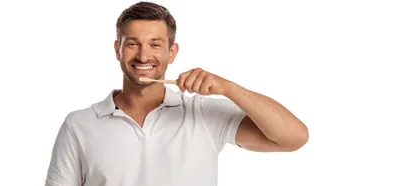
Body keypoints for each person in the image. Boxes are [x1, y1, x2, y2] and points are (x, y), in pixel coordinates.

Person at [44, 1, 309, 186]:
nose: (144, 55)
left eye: (155, 45)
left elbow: (293, 137)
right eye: (132, 44)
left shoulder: (203, 113)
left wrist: (228, 88)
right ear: (117, 50)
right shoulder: (79, 125)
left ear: (172, 52)